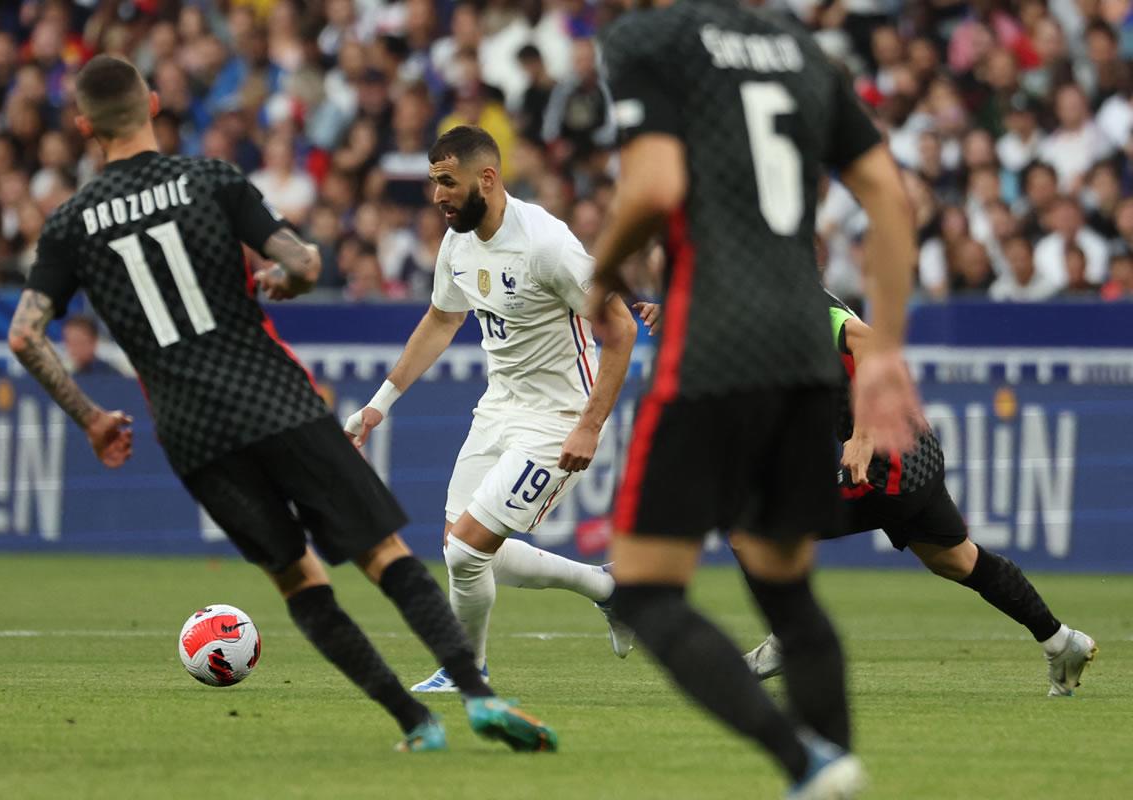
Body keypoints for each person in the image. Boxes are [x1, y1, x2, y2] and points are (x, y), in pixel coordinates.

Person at [7, 56, 555, 754]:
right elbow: (303, 263)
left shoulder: (71, 223)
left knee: (300, 581)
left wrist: (89, 417)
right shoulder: (209, 179)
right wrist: (283, 279)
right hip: (272, 395)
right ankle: (477, 697)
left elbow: (25, 334)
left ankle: (416, 723)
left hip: (190, 430)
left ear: (83, 126)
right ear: (152, 100)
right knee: (384, 554)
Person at [590, 3, 924, 798]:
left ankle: (809, 762)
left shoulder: (650, 40)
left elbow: (655, 184)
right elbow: (887, 193)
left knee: (643, 589)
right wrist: (889, 352)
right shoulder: (797, 47)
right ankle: (829, 776)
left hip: (713, 344)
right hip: (807, 353)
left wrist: (597, 268)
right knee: (785, 584)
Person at [345, 125, 639, 693]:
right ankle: (611, 590)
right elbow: (441, 319)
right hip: (498, 409)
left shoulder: (546, 245)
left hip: (555, 422)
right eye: (434, 183)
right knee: (466, 550)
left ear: (487, 177)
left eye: (447, 182)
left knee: (466, 553)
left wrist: (588, 425)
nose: (438, 196)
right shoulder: (458, 242)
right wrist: (380, 404)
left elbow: (621, 327)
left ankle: (467, 671)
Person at [737, 291, 1097, 695]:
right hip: (914, 449)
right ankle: (1062, 642)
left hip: (886, 462)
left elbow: (871, 342)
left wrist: (862, 436)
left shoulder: (802, 305)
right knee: (956, 559)